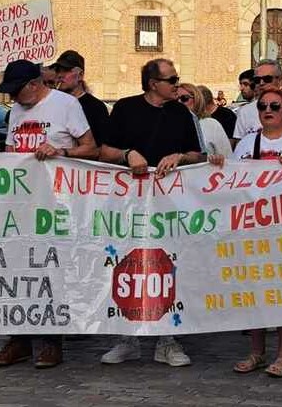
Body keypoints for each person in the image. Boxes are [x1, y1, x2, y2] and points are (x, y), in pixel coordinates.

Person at [0, 59, 97, 369]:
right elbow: (12, 156)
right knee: (18, 271)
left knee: (52, 271)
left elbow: (91, 148)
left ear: (34, 85)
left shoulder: (65, 105)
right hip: (21, 203)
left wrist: (61, 152)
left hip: (57, 202)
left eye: (15, 91)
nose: (12, 98)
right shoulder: (16, 112)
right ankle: (19, 339)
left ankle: (52, 341)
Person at [98, 58, 205, 367]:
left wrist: (182, 156)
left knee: (168, 266)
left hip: (169, 205)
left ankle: (168, 340)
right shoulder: (125, 109)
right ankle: (127, 337)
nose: (177, 84)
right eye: (171, 80)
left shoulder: (182, 113)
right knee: (127, 264)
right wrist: (127, 154)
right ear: (153, 83)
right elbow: (103, 150)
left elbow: (198, 153)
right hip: (127, 203)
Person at [211, 87, 282, 379]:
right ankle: (256, 350)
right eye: (263, 106)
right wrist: (219, 165)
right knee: (253, 288)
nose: (268, 110)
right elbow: (232, 178)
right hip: (252, 226)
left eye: (275, 106)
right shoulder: (246, 142)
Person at [233, 59, 282, 143]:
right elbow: (240, 146)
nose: (261, 83)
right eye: (257, 80)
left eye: (267, 79)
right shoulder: (245, 112)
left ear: (280, 81)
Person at [51, 50, 110, 146]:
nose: (60, 75)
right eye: (58, 70)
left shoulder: (96, 107)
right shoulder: (52, 104)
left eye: (66, 70)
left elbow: (101, 147)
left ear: (80, 75)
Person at [179, 83, 231, 159]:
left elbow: (227, 157)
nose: (179, 102)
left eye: (184, 98)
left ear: (197, 100)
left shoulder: (211, 124)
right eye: (175, 100)